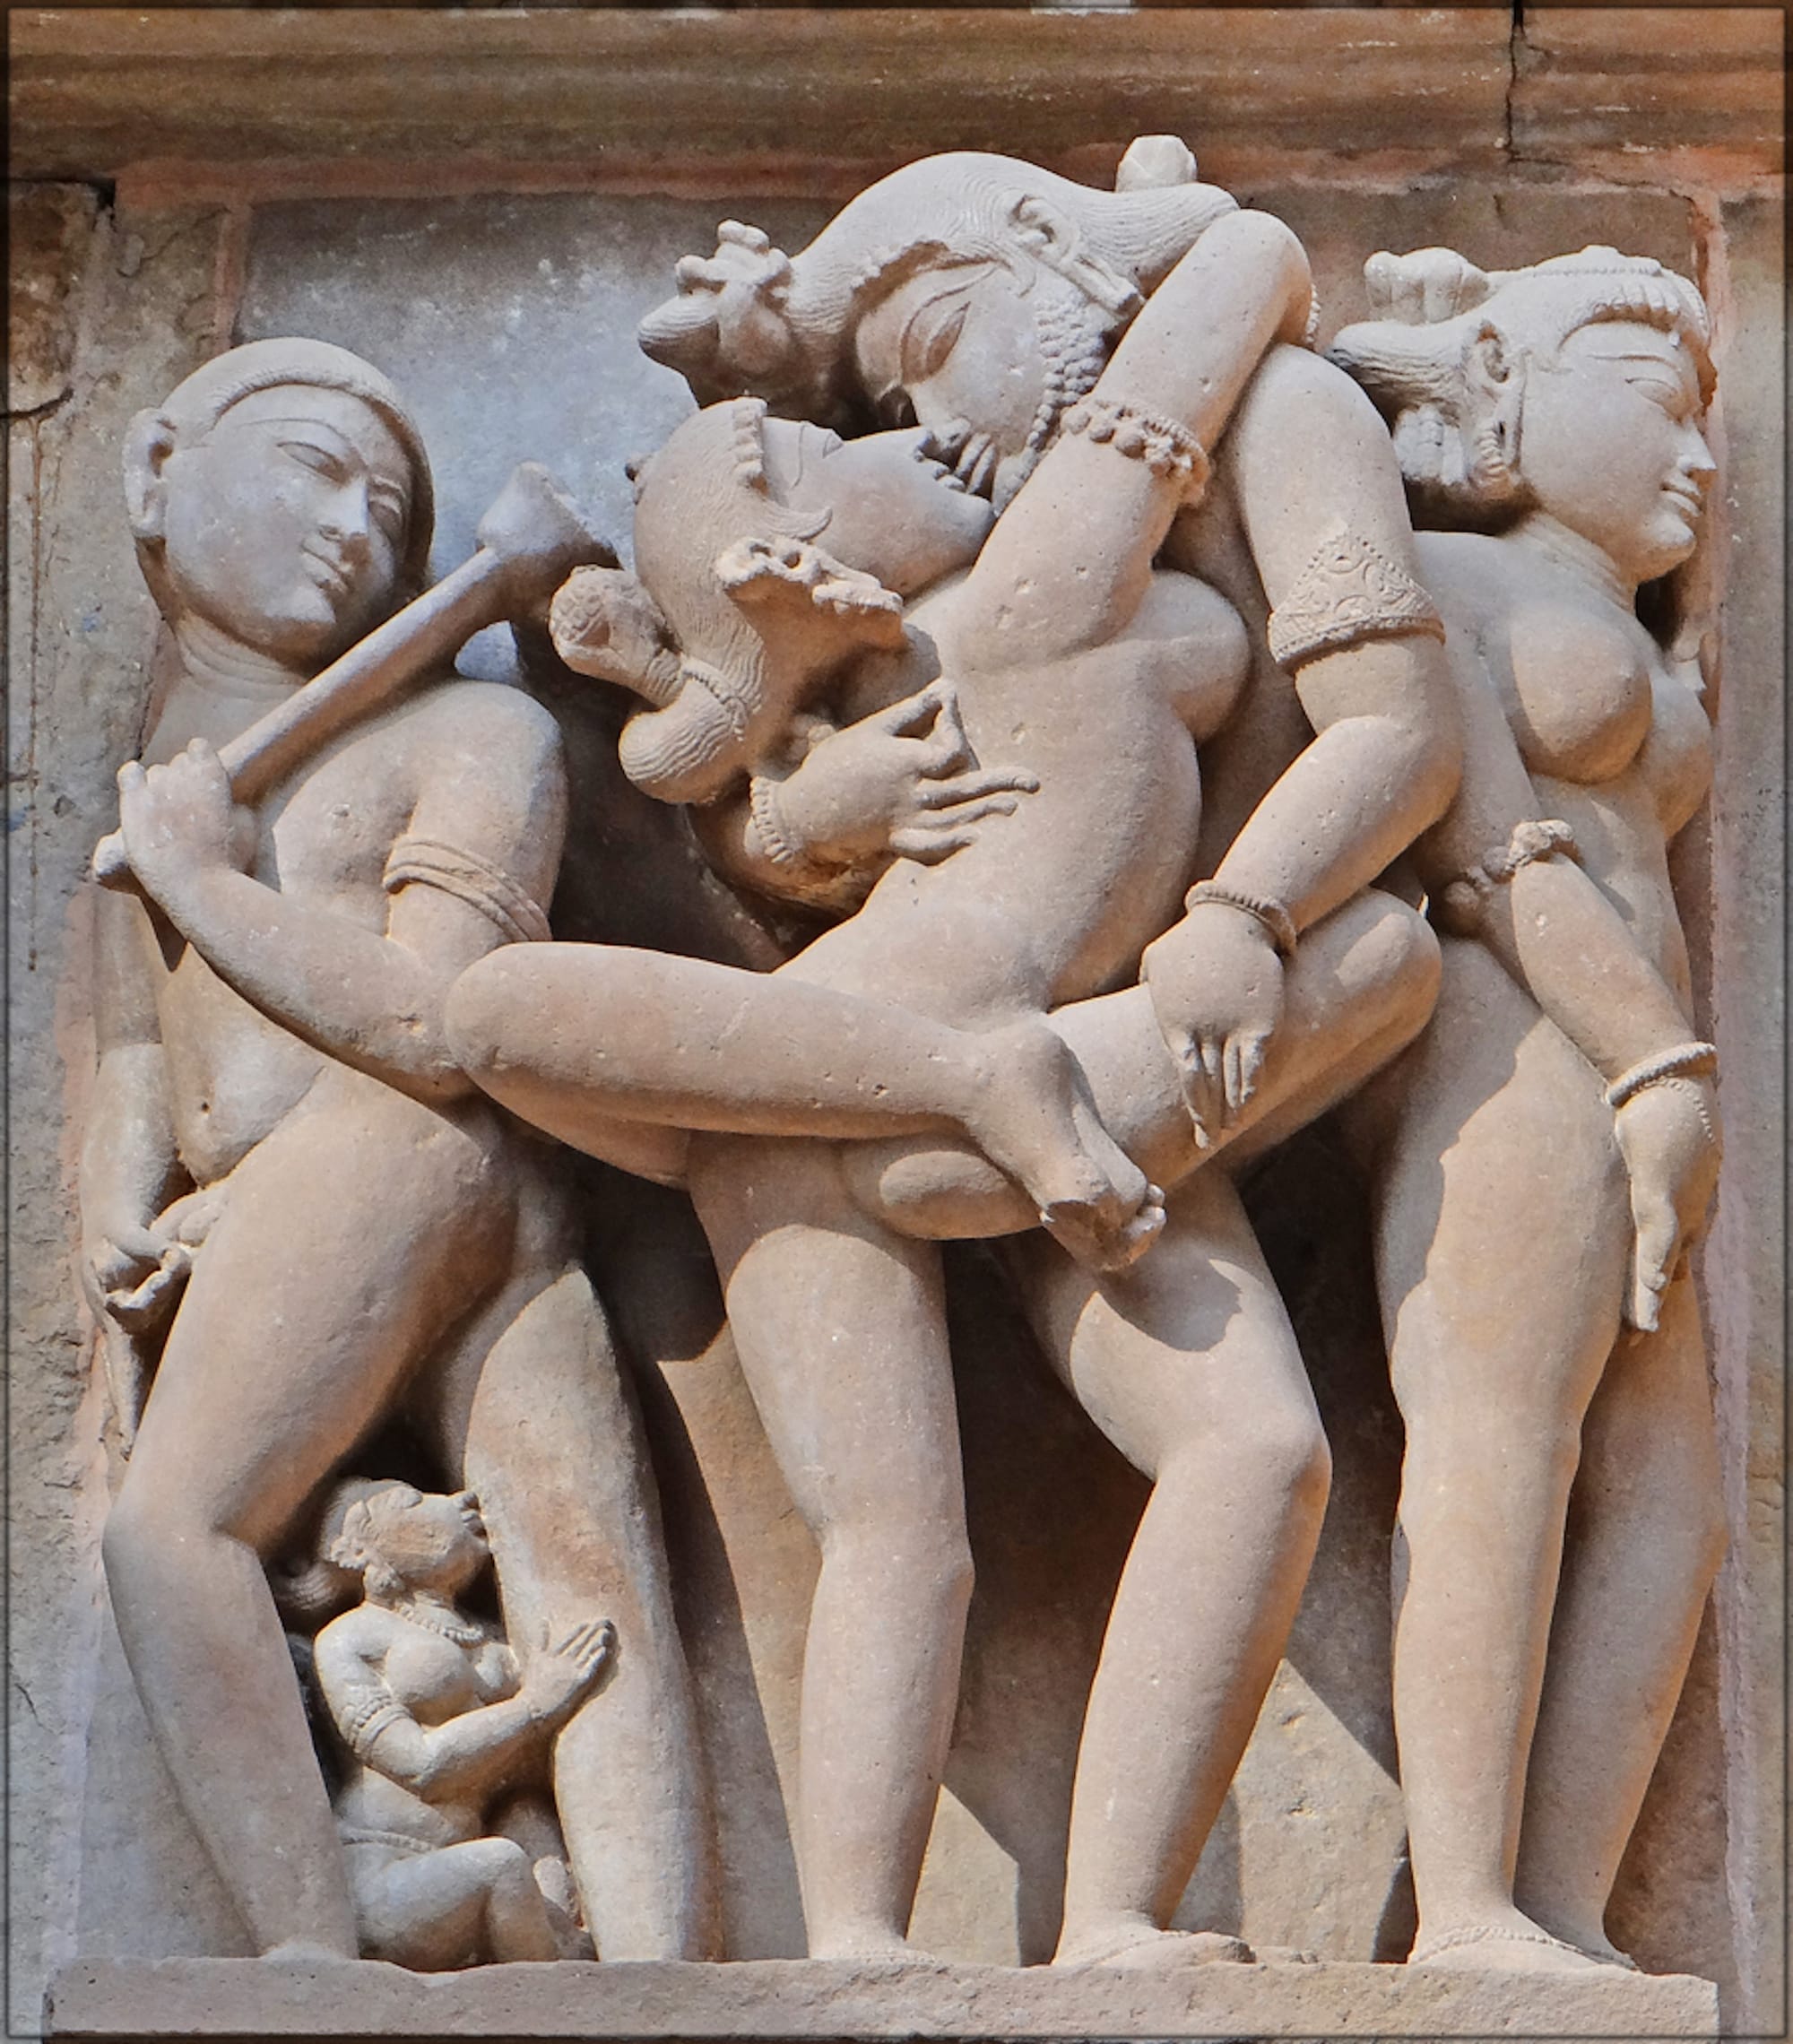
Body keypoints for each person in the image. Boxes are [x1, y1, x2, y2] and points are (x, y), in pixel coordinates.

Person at [448, 144, 1460, 1965]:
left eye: (904, 374)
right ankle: (863, 1942)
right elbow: (1244, 260)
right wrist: (1092, 240)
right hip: (923, 1082)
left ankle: (1086, 1922)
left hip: (1012, 1070)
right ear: (795, 567)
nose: (908, 431)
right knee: (890, 1527)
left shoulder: (954, 636)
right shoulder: (1040, 583)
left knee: (1240, 1454)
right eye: (820, 442)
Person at [81, 339, 709, 1962]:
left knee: (173, 1533)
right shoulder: (167, 781)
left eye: (393, 513)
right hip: (373, 1198)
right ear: (154, 472)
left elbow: (443, 1027)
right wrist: (122, 1195)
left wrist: (207, 885)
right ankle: (649, 1975)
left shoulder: (471, 734)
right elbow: (142, 1034)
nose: (355, 526)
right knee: (579, 1573)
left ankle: (306, 1952)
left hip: (402, 1143)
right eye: (313, 466)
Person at [1327, 248, 1728, 1971]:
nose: (1697, 455)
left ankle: (1559, 1901)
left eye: (1707, 421)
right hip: (1522, 1038)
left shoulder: (1627, 623)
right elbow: (1485, 846)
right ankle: (1469, 1909)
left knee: (1675, 1502)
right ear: (1501, 389)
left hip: (1643, 1068)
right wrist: (1649, 1063)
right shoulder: (1441, 577)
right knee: (1498, 1438)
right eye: (1650, 401)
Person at [305, 1477, 611, 1969]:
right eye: (413, 1501)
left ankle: (572, 1950)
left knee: (527, 1821)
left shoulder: (490, 1640)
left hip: (470, 1857)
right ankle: (557, 1988)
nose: (456, 1500)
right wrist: (534, 1706)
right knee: (500, 1864)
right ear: (363, 1549)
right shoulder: (349, 1638)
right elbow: (421, 1765)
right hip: (385, 1873)